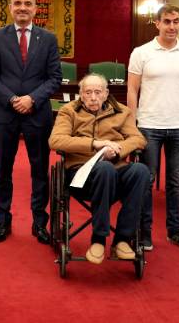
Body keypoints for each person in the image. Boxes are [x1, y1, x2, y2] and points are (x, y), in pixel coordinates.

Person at [0, 0, 62, 244]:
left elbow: (55, 78)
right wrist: (12, 99)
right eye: (17, 3)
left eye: (28, 3)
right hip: (4, 114)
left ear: (35, 9)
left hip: (37, 114)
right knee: (2, 171)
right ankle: (2, 222)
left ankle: (39, 223)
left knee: (39, 171)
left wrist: (32, 99)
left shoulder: (48, 39)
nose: (22, 8)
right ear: (10, 8)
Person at [49, 74, 149, 264]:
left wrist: (117, 151)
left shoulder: (122, 112)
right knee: (104, 169)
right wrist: (95, 144)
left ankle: (122, 240)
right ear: (81, 94)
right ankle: (99, 239)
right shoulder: (68, 111)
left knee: (141, 171)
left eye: (98, 92)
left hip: (115, 171)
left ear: (106, 93)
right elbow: (56, 140)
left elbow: (138, 139)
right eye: (88, 92)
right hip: (81, 176)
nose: (93, 97)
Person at [127, 3, 179, 251]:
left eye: (176, 21)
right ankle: (144, 232)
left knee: (175, 183)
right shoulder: (141, 52)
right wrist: (132, 124)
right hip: (148, 125)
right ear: (157, 23)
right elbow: (132, 89)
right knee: (146, 181)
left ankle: (175, 231)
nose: (172, 26)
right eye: (167, 21)